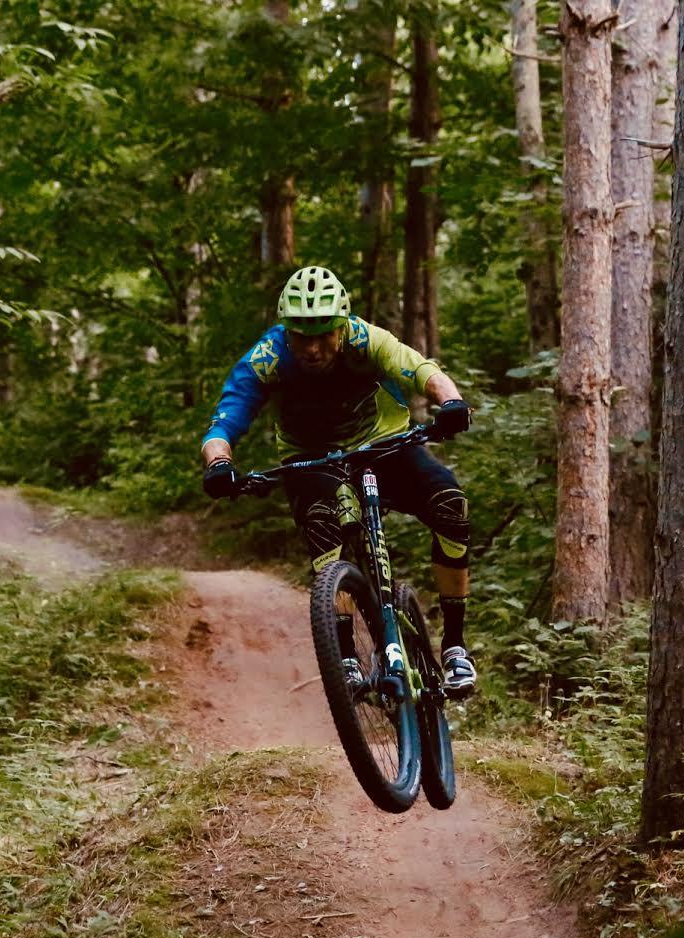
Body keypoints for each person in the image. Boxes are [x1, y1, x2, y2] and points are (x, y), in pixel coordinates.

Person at [199, 265, 477, 697]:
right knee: (323, 526)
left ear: (342, 326)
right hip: (309, 458)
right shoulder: (268, 357)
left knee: (449, 504)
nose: (312, 348)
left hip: (385, 442)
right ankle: (343, 653)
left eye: (323, 334)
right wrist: (219, 463)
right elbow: (226, 419)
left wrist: (451, 401)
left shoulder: (365, 338)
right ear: (285, 330)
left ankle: (456, 646)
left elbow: (420, 369)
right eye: (300, 336)